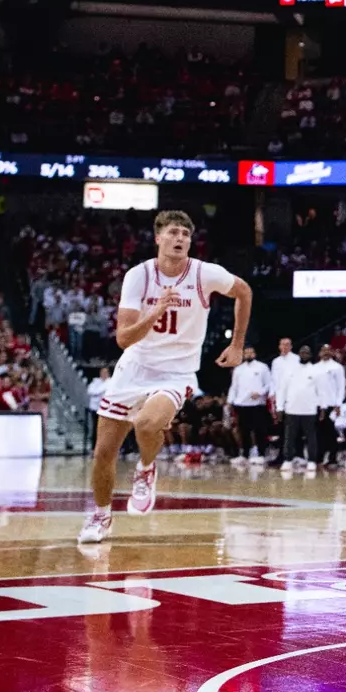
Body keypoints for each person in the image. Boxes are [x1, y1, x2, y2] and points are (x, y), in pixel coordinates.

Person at [79, 210, 251, 544]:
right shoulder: (138, 276)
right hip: (135, 367)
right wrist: (156, 310)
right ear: (158, 238)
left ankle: (146, 469)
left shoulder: (204, 273)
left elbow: (244, 291)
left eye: (186, 234)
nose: (180, 239)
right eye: (173, 232)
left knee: (145, 424)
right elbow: (124, 339)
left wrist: (238, 345)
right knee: (103, 452)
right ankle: (101, 516)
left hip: (177, 371)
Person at [277, 346, 324, 474]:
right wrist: (279, 407)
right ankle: (287, 460)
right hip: (291, 409)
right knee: (289, 437)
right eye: (302, 352)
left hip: (309, 410)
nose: (304, 355)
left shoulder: (316, 370)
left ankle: (311, 461)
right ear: (299, 354)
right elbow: (282, 389)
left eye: (307, 353)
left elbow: (321, 391)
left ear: (310, 355)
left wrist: (322, 407)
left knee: (311, 437)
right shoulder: (290, 370)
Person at [227, 346, 273, 464]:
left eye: (250, 352)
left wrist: (260, 393)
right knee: (244, 431)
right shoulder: (238, 369)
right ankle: (245, 455)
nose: (248, 354)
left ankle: (261, 454)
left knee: (259, 430)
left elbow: (269, 384)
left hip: (257, 404)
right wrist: (230, 401)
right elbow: (234, 387)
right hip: (242, 404)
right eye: (246, 353)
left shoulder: (262, 367)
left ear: (254, 354)